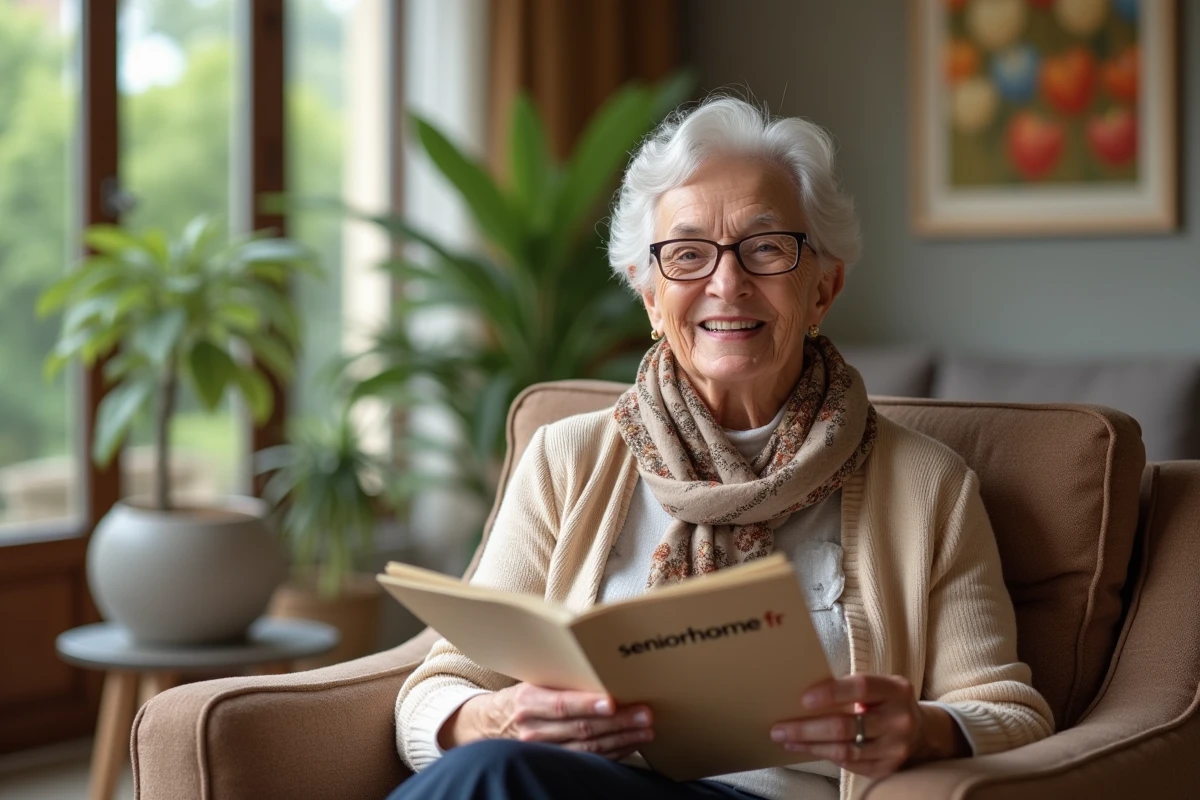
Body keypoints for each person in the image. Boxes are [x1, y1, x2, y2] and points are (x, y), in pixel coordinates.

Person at [385, 96, 1054, 800]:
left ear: (823, 286)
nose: (726, 283)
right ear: (649, 296)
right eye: (687, 254)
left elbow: (1010, 710)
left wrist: (922, 728)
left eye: (766, 249)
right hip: (579, 784)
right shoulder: (568, 459)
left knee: (498, 777)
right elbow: (439, 687)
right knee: (495, 765)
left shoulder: (928, 486)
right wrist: (498, 716)